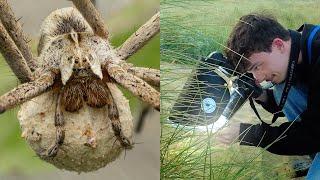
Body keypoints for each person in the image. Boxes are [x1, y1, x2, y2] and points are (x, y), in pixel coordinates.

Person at [220, 13, 320, 179]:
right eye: (251, 72)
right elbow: (291, 101)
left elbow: (312, 133)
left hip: (315, 134)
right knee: (282, 86)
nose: (257, 78)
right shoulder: (297, 50)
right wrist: (261, 95)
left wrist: (246, 133)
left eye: (257, 67)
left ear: (279, 45)